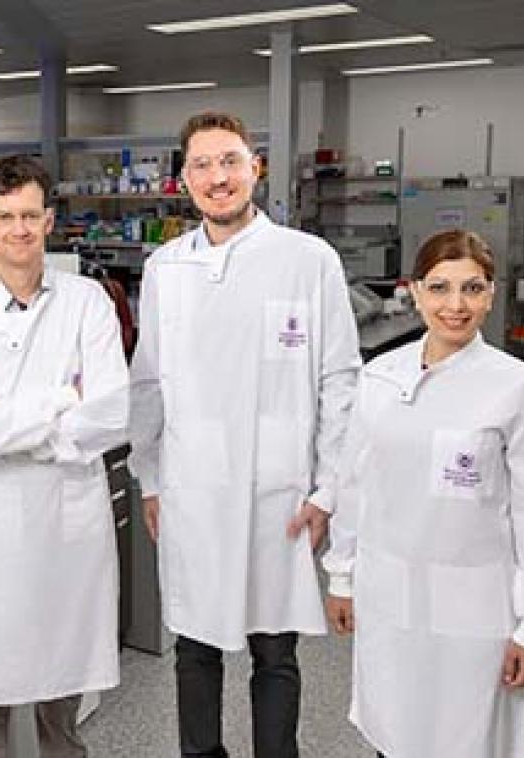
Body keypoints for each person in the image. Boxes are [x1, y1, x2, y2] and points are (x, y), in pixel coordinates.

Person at [128, 112, 361, 758]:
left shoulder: (307, 260)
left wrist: (328, 489)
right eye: (201, 165)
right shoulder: (164, 267)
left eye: (229, 161)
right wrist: (149, 477)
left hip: (275, 493)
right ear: (183, 181)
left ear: (255, 167)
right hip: (192, 491)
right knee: (195, 651)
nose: (217, 177)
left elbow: (341, 379)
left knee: (274, 651)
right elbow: (148, 383)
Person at [322, 229, 524, 758]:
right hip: (388, 597)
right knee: (392, 733)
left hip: (476, 611)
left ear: (491, 294)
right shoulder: (380, 378)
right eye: (439, 288)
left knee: (465, 740)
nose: (455, 306)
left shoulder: (522, 389)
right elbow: (354, 483)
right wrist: (343, 575)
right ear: (413, 291)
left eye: (472, 289)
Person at [0, 154, 129, 757]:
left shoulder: (88, 302)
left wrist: (9, 415)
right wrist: (63, 399)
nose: (18, 228)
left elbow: (112, 413)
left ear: (49, 220)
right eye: (5, 215)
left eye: (30, 215)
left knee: (60, 704)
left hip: (65, 531)